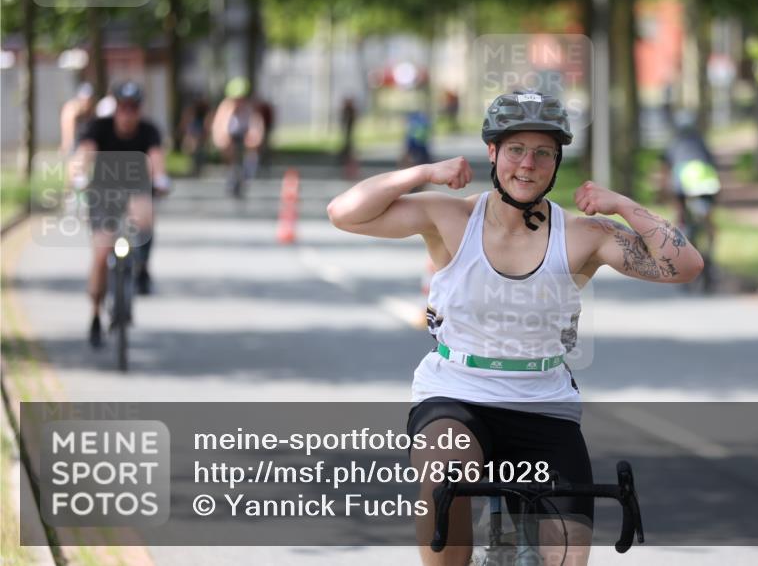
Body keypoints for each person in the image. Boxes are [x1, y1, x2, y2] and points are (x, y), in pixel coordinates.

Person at [327, 90, 703, 566]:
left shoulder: (585, 235)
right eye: (516, 150)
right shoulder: (451, 217)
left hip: (544, 407)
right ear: (493, 153)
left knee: (566, 557)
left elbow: (685, 265)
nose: (528, 164)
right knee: (445, 481)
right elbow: (344, 212)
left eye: (544, 152)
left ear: (558, 160)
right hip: (456, 395)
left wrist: (622, 205)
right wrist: (424, 173)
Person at [69, 81, 170, 347]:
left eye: (133, 108)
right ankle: (94, 315)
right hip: (104, 195)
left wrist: (160, 179)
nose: (128, 114)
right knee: (101, 255)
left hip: (136, 192)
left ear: (139, 109)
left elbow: (156, 158)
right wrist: (78, 175)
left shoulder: (149, 131)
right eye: (123, 107)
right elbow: (85, 152)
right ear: (115, 108)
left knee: (145, 216)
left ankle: (142, 267)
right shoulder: (98, 127)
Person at [659, 110, 721, 240]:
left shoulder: (674, 143)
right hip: (705, 179)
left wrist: (664, 191)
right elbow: (712, 164)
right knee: (708, 218)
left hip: (682, 179)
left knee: (679, 213)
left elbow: (666, 169)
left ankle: (678, 241)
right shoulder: (701, 140)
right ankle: (711, 247)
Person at [212, 77, 263, 197]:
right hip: (231, 137)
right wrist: (224, 136)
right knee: (226, 145)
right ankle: (231, 172)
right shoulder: (225, 107)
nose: (238, 102)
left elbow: (257, 126)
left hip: (245, 135)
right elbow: (220, 128)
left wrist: (253, 137)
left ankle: (248, 173)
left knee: (252, 149)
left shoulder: (250, 108)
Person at [59, 82, 96, 156]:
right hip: (75, 145)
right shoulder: (71, 110)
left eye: (89, 99)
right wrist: (67, 145)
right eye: (84, 99)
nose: (86, 102)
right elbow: (67, 130)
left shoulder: (92, 112)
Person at [180, 93, 212, 177]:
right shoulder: (191, 110)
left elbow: (207, 122)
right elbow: (186, 121)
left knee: (200, 150)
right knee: (191, 148)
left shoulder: (205, 110)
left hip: (200, 130)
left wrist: (205, 133)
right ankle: (193, 166)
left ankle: (198, 167)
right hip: (194, 130)